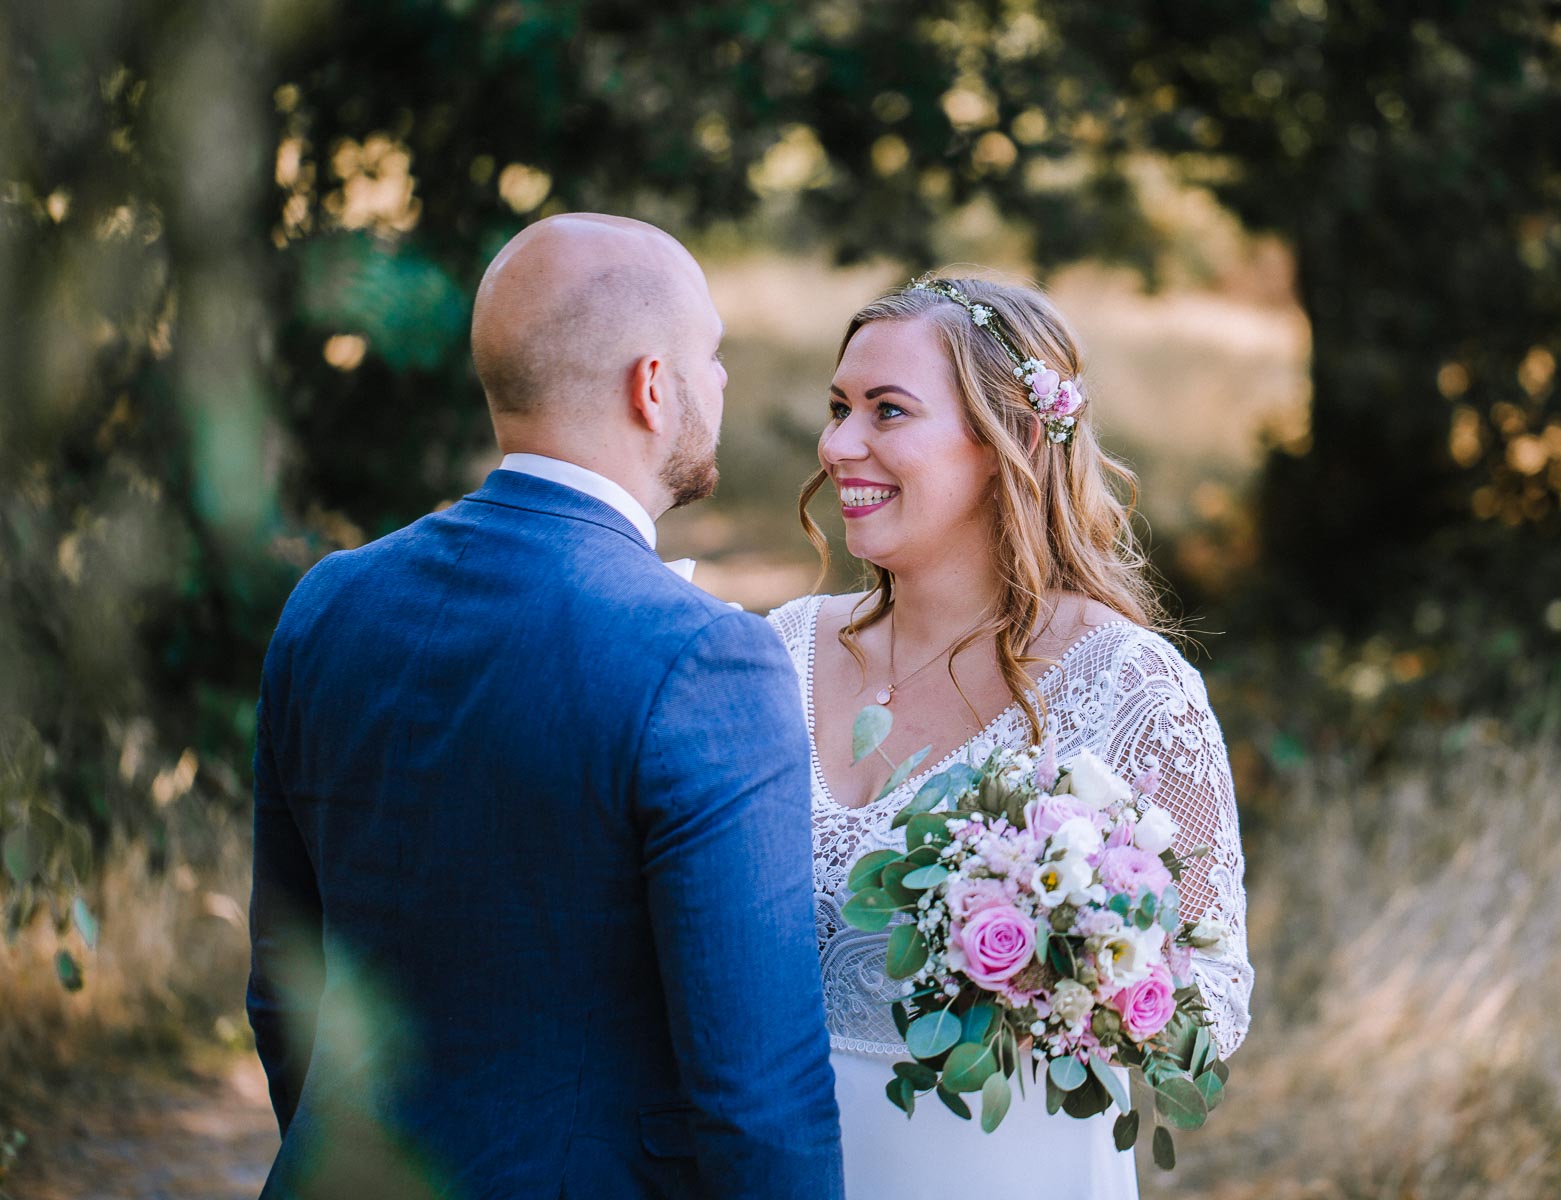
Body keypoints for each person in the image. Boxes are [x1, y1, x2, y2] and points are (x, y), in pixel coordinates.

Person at [247, 214, 844, 1200]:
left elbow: (282, 984)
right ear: (653, 386)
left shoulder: (329, 603)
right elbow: (760, 1099)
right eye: (713, 355)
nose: (725, 382)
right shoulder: (706, 659)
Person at [767, 276, 1253, 1199]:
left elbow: (1212, 1006)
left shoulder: (1129, 685)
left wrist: (1065, 949)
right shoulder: (773, 651)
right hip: (772, 1166)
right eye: (838, 408)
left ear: (1013, 440)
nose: (838, 445)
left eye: (887, 410)